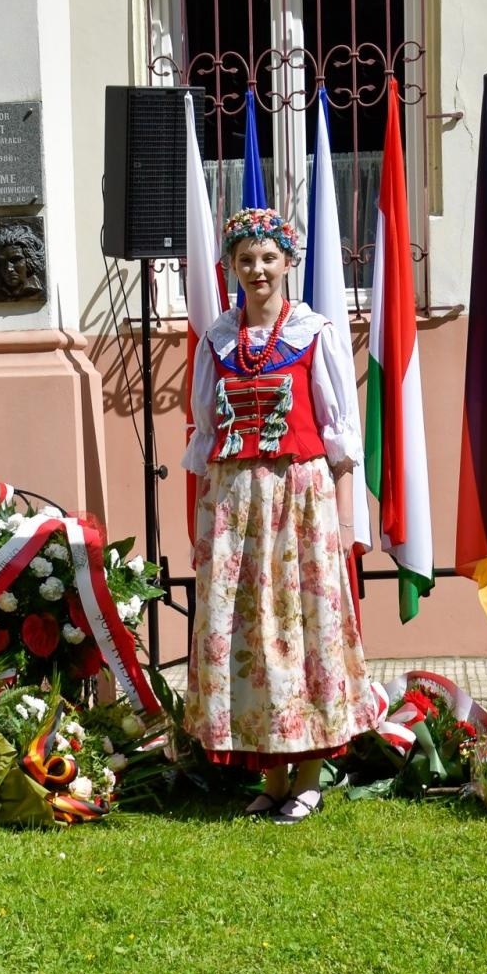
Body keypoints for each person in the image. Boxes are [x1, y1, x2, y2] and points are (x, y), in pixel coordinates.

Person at [182, 207, 377, 824]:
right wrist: (203, 524)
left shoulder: (315, 333)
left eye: (268, 257)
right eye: (246, 259)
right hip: (235, 504)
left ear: (288, 262)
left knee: (303, 628)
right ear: (232, 268)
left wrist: (345, 522)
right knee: (249, 634)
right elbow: (204, 435)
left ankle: (311, 774)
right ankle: (270, 774)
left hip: (300, 500)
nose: (257, 269)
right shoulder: (216, 340)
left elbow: (340, 438)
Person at [0, 223, 46, 301]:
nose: (9, 268)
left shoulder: (37, 292)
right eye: (2, 262)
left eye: (16, 260)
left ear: (30, 261)